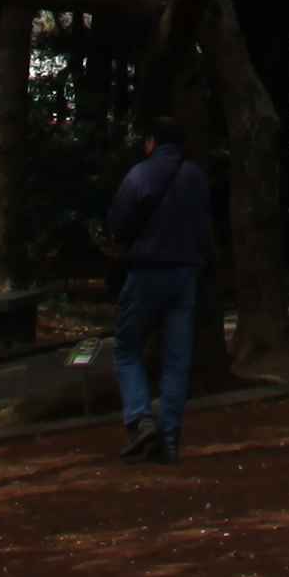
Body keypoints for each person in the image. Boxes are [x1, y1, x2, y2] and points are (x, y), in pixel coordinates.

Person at [103, 116, 216, 461]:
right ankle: (169, 438)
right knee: (177, 358)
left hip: (147, 270)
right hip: (185, 273)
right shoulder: (196, 176)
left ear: (152, 142)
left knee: (127, 347)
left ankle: (140, 419)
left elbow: (118, 224)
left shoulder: (140, 174)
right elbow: (205, 229)